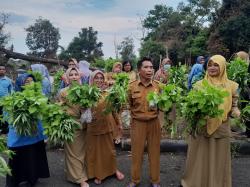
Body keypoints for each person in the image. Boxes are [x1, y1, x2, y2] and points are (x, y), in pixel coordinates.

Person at [181, 55, 240, 187]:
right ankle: (196, 182)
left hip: (221, 128)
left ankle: (217, 183)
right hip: (202, 127)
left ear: (223, 67)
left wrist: (236, 111)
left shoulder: (232, 86)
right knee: (200, 157)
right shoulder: (199, 85)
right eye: (210, 65)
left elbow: (234, 105)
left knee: (219, 159)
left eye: (216, 65)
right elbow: (191, 103)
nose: (212, 68)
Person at [6, 73, 50, 187]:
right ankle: (15, 181)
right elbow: (8, 116)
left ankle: (32, 179)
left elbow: (42, 117)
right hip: (19, 136)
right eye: (27, 81)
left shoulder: (38, 97)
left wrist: (44, 135)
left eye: (32, 81)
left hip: (34, 135)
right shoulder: (13, 97)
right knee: (17, 158)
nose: (30, 83)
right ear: (20, 83)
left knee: (32, 157)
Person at [85, 70, 124, 185]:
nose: (99, 80)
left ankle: (113, 170)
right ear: (92, 79)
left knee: (110, 151)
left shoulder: (108, 93)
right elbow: (83, 111)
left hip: (107, 126)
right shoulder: (87, 93)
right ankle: (98, 174)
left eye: (101, 78)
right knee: (95, 152)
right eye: (96, 78)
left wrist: (119, 123)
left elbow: (114, 110)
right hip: (93, 127)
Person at [127, 57, 161, 187]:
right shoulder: (132, 87)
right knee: (137, 153)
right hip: (138, 123)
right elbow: (128, 104)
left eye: (151, 67)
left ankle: (155, 180)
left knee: (155, 152)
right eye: (146, 67)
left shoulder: (158, 86)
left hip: (154, 123)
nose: (149, 70)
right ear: (139, 70)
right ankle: (135, 180)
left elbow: (163, 106)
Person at [58, 67, 89, 187]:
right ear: (67, 77)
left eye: (76, 74)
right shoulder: (63, 92)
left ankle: (80, 173)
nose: (74, 76)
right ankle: (79, 179)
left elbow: (87, 109)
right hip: (70, 125)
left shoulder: (83, 90)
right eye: (71, 75)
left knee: (83, 151)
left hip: (83, 124)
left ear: (79, 76)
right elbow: (59, 108)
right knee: (73, 153)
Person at [0, 65, 13, 134]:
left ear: (5, 71)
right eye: (0, 69)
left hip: (5, 102)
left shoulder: (8, 80)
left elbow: (11, 91)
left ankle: (5, 130)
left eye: (3, 69)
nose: (1, 70)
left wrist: (11, 100)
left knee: (5, 116)